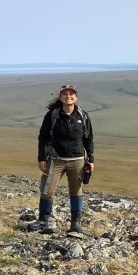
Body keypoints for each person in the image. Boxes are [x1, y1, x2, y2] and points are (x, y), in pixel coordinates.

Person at [28, 85, 94, 234]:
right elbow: (43, 138)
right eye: (65, 94)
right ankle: (43, 221)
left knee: (76, 192)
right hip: (56, 159)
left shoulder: (82, 116)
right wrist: (41, 158)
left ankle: (75, 225)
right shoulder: (52, 115)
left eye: (71, 94)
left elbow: (88, 139)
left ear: (76, 97)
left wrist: (90, 159)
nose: (68, 96)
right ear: (60, 97)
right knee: (47, 191)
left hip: (77, 160)